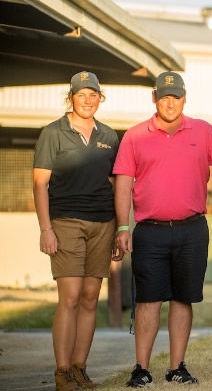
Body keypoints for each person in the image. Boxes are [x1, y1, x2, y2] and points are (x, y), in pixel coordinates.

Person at [113, 71, 212, 387]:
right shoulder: (135, 135)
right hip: (150, 231)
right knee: (149, 300)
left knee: (183, 299)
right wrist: (123, 226)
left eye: (176, 96)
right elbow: (123, 184)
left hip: (192, 230)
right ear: (155, 98)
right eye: (164, 96)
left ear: (185, 98)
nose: (170, 102)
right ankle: (141, 368)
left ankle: (176, 367)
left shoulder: (204, 131)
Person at [33, 71, 119, 391]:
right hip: (66, 221)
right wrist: (46, 228)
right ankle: (62, 371)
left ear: (100, 98)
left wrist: (120, 228)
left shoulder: (109, 136)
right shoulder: (52, 133)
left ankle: (80, 368)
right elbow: (40, 184)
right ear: (71, 98)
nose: (87, 101)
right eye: (81, 95)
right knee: (69, 297)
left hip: (102, 224)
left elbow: (115, 184)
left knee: (89, 297)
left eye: (92, 95)